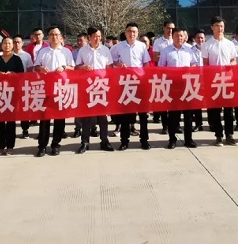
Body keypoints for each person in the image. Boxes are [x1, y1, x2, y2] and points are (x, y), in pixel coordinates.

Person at [32, 27, 75, 156]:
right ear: (48, 37)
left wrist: (64, 67)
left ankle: (56, 144)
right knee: (44, 118)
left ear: (60, 36)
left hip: (61, 88)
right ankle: (42, 146)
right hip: (46, 88)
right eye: (52, 34)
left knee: (59, 118)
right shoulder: (43, 51)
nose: (54, 37)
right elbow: (35, 66)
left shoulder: (66, 51)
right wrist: (40, 68)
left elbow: (72, 67)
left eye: (57, 34)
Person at [110, 22, 152, 151]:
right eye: (129, 31)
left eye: (134, 32)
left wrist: (146, 79)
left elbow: (146, 64)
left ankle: (144, 140)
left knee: (143, 114)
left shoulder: (142, 46)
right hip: (125, 84)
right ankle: (124, 141)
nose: (131, 34)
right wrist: (118, 65)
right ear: (125, 32)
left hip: (140, 83)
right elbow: (112, 62)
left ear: (137, 33)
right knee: (125, 114)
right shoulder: (118, 47)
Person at [75, 27, 115, 154]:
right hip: (87, 86)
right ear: (89, 37)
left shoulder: (105, 50)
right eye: (95, 36)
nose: (98, 39)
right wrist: (83, 67)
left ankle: (104, 141)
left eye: (99, 36)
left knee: (102, 116)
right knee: (86, 116)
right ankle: (85, 142)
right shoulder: (83, 50)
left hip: (102, 86)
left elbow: (109, 67)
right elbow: (76, 67)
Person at [157, 27, 199, 149]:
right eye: (176, 35)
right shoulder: (166, 51)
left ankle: (188, 139)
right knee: (173, 115)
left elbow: (195, 65)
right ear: (173, 36)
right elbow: (161, 68)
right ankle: (172, 139)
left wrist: (190, 69)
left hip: (187, 86)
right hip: (172, 86)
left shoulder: (190, 50)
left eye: (181, 36)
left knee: (188, 115)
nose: (179, 38)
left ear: (184, 37)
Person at [201, 16, 238, 147]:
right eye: (217, 26)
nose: (220, 28)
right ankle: (218, 136)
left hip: (228, 81)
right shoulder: (207, 45)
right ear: (212, 27)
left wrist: (230, 66)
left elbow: (234, 60)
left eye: (221, 26)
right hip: (214, 82)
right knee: (215, 111)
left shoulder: (229, 44)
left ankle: (230, 135)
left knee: (229, 110)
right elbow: (205, 64)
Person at [0, 37, 24, 155]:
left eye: (9, 43)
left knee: (10, 121)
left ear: (12, 45)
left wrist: (13, 74)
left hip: (12, 93)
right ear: (1, 45)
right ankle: (0, 147)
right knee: (0, 121)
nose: (7, 45)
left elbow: (22, 75)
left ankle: (10, 146)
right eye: (5, 43)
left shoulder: (17, 59)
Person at [12, 34, 34, 139]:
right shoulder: (8, 55)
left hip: (23, 85)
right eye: (15, 42)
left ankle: (25, 129)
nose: (17, 44)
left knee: (24, 108)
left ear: (22, 43)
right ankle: (11, 131)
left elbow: (30, 70)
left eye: (18, 42)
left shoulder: (26, 56)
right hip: (10, 86)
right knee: (11, 108)